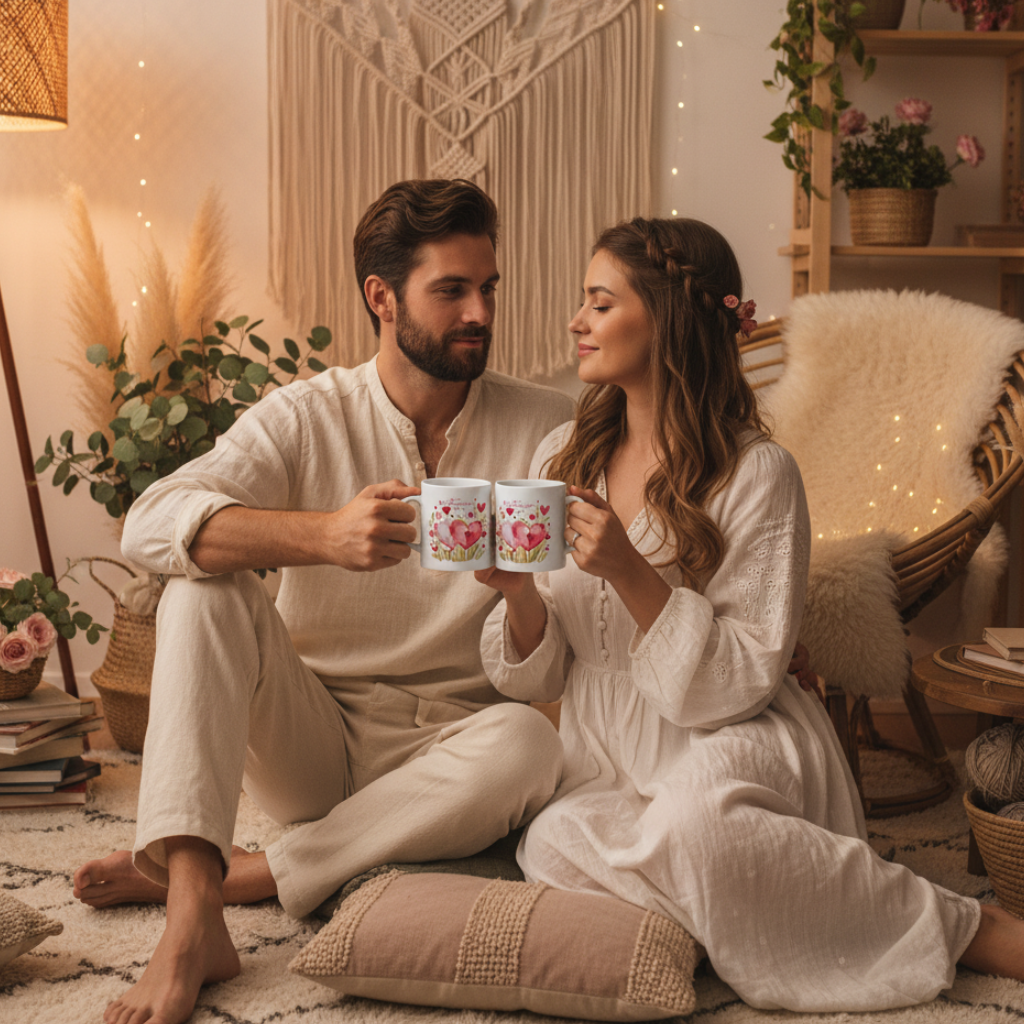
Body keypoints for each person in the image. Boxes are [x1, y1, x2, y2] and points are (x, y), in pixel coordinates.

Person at [476, 216, 1024, 1012]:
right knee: (551, 842)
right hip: (606, 746)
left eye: (600, 303)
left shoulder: (758, 473)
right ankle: (744, 907)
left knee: (698, 828)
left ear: (665, 317)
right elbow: (544, 669)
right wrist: (517, 591)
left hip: (729, 738)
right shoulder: (561, 457)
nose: (576, 322)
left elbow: (744, 676)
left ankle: (969, 927)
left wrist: (631, 570)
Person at [72, 179, 576, 1024]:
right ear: (382, 297)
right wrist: (324, 537)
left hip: (462, 749)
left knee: (530, 742)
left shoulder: (550, 426)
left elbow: (556, 653)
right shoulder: (305, 417)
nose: (479, 311)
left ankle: (252, 872)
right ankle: (193, 919)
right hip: (318, 743)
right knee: (202, 589)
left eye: (488, 287)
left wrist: (523, 590)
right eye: (450, 290)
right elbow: (149, 522)